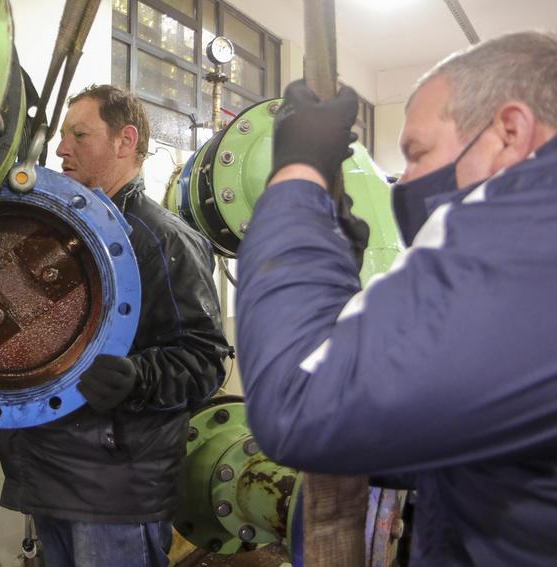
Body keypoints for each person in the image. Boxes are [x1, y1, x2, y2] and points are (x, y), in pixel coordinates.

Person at [236, 30, 557, 567]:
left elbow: (296, 403)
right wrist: (329, 264)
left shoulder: (533, 242)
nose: (402, 180)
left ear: (510, 132)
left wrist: (297, 175)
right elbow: (475, 431)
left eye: (417, 152)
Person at [0, 84, 229, 567]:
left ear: (125, 141)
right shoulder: (56, 232)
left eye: (79, 134)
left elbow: (205, 360)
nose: (61, 149)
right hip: (45, 472)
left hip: (115, 491)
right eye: (63, 136)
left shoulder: (165, 239)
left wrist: (137, 377)